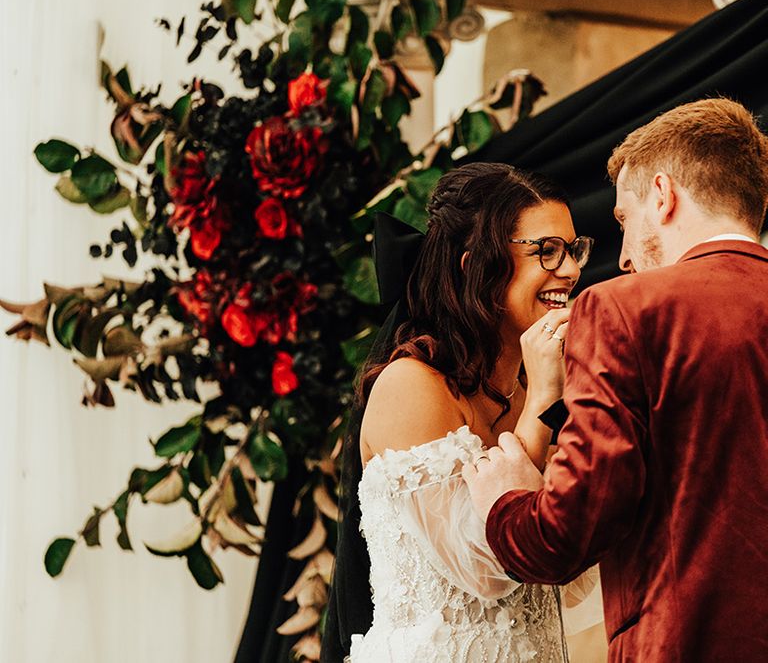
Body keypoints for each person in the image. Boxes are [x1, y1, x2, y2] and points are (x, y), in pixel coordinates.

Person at [463, 97, 768, 662]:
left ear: (663, 194)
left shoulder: (627, 309)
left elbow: (564, 537)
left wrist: (503, 501)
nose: (624, 258)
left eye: (624, 221)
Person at [322, 162, 601, 662]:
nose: (571, 270)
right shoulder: (411, 386)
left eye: (573, 249)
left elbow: (571, 568)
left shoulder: (536, 387)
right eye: (547, 251)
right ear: (475, 266)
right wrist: (541, 403)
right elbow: (483, 566)